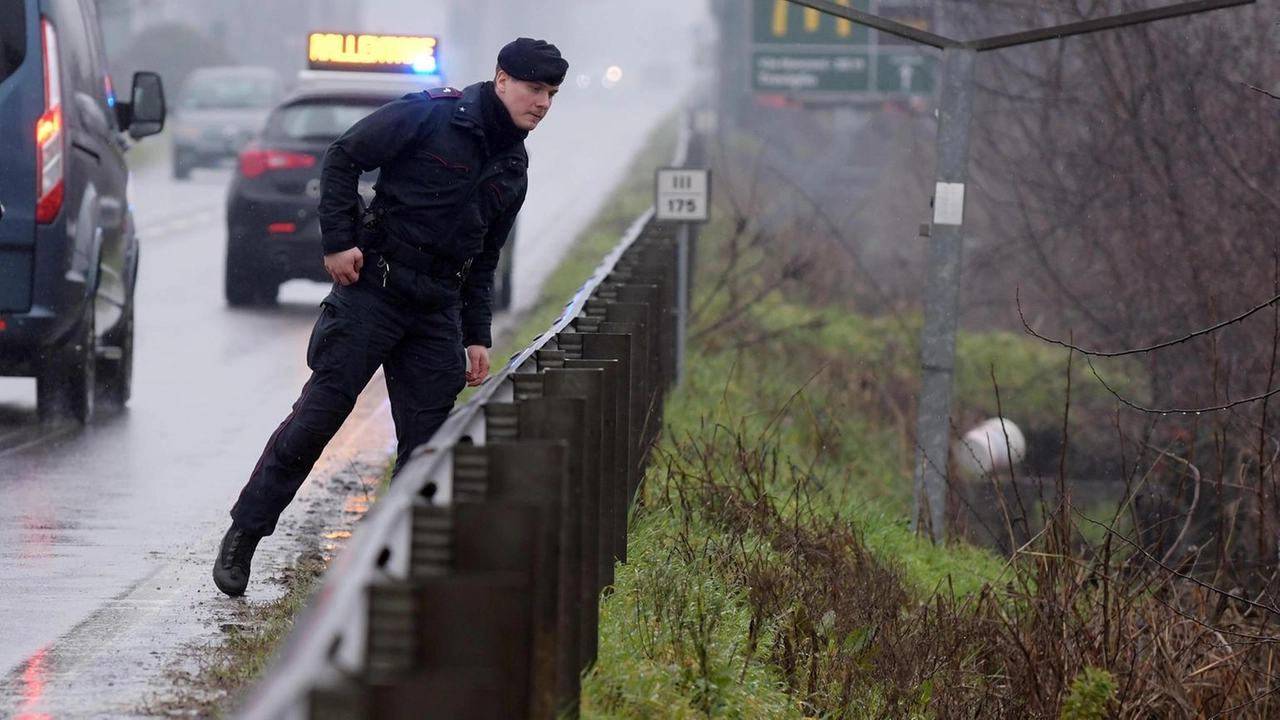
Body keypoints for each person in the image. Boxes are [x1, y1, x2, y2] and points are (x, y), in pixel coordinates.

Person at [213, 38, 569, 597]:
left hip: (437, 312)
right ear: (501, 80)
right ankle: (245, 535)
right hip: (372, 292)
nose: (543, 102)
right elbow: (344, 156)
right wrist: (337, 241)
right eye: (533, 88)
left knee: (426, 451)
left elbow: (485, 259)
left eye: (551, 93)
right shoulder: (431, 114)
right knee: (316, 420)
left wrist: (477, 336)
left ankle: (389, 569)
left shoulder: (514, 166)